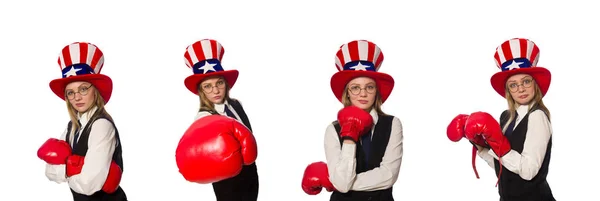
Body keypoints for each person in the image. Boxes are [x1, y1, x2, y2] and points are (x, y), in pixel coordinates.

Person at [447, 38, 555, 201]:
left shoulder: (537, 115)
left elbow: (528, 170)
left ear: (535, 84)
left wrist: (498, 143)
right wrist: (481, 145)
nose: (521, 88)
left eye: (526, 81)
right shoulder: (507, 117)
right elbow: (502, 168)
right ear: (508, 90)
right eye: (513, 84)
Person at [301, 40, 404, 201]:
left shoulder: (392, 124)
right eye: (355, 87)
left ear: (376, 91)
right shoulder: (333, 129)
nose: (363, 94)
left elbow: (389, 175)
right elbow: (342, 183)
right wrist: (349, 136)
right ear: (347, 93)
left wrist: (341, 183)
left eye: (369, 87)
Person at [37, 42, 127, 201]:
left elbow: (89, 185)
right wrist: (76, 169)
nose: (77, 97)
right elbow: (49, 172)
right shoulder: (72, 126)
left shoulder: (101, 125)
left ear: (95, 90)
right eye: (70, 93)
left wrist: (65, 170)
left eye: (83, 89)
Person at [175, 39, 259, 201]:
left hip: (251, 174)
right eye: (208, 86)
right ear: (201, 91)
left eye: (219, 83)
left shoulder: (236, 104)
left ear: (226, 84)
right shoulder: (204, 118)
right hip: (227, 183)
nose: (215, 90)